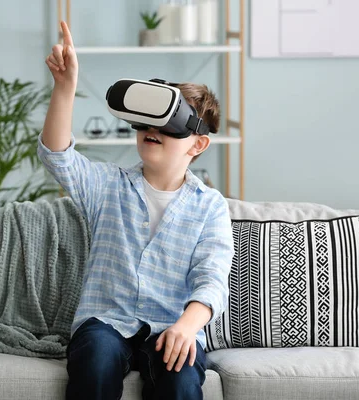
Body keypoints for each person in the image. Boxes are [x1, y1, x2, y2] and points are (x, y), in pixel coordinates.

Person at [37, 20, 235, 400]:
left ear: (198, 145)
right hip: (106, 322)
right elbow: (58, 158)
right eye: (147, 118)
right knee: (94, 359)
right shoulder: (108, 186)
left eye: (171, 122)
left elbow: (212, 280)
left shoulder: (210, 207)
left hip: (173, 326)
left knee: (180, 381)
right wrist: (65, 88)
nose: (153, 127)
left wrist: (186, 327)